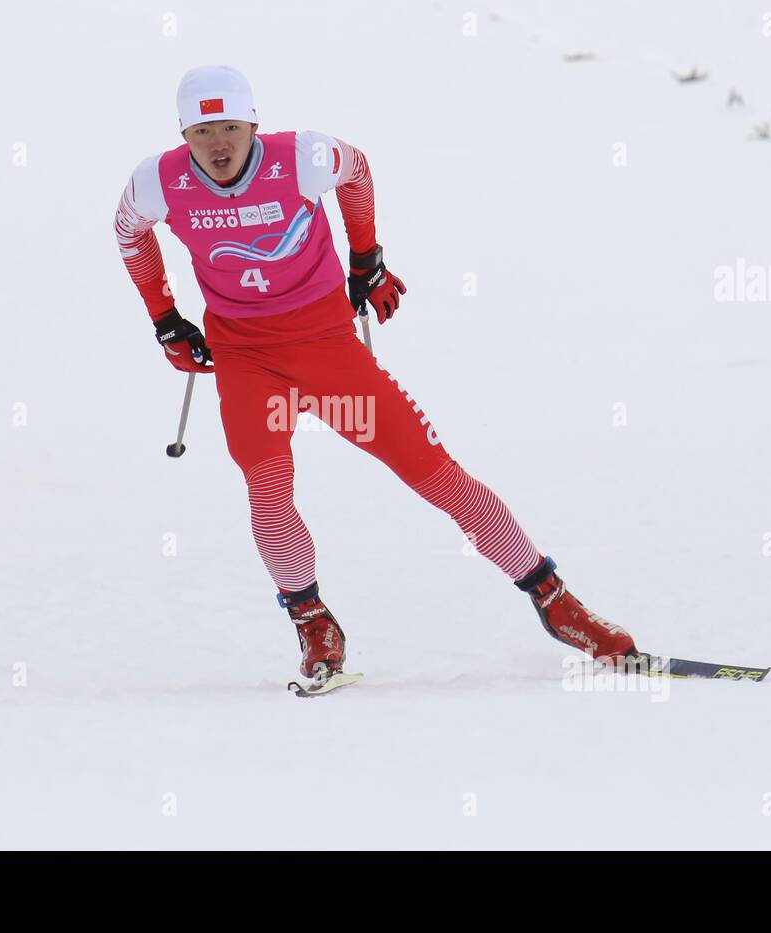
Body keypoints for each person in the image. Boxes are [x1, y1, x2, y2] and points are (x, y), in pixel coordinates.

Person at [115, 65, 637, 682]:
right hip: (246, 359)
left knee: (433, 475)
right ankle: (314, 625)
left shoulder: (301, 157)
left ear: (254, 122)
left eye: (230, 127)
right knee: (269, 486)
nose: (219, 145)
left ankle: (555, 601)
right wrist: (166, 319)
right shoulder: (158, 180)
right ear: (184, 134)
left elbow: (355, 169)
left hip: (327, 351)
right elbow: (129, 233)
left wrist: (367, 258)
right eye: (203, 132)